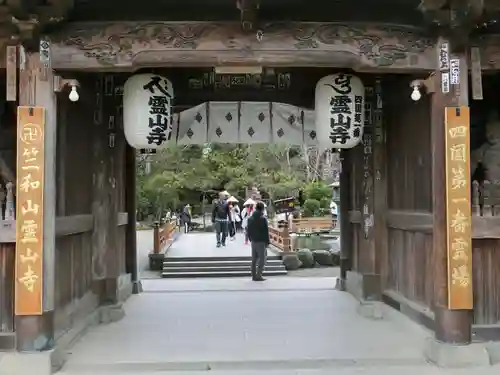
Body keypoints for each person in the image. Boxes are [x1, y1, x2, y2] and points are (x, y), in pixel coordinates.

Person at [247, 202, 270, 281]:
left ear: (256, 208)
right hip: (261, 241)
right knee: (262, 259)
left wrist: (250, 238)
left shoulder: (250, 218)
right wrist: (267, 242)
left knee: (254, 259)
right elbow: (265, 231)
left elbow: (248, 230)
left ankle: (253, 275)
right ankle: (259, 275)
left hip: (253, 240)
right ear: (262, 209)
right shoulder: (263, 219)